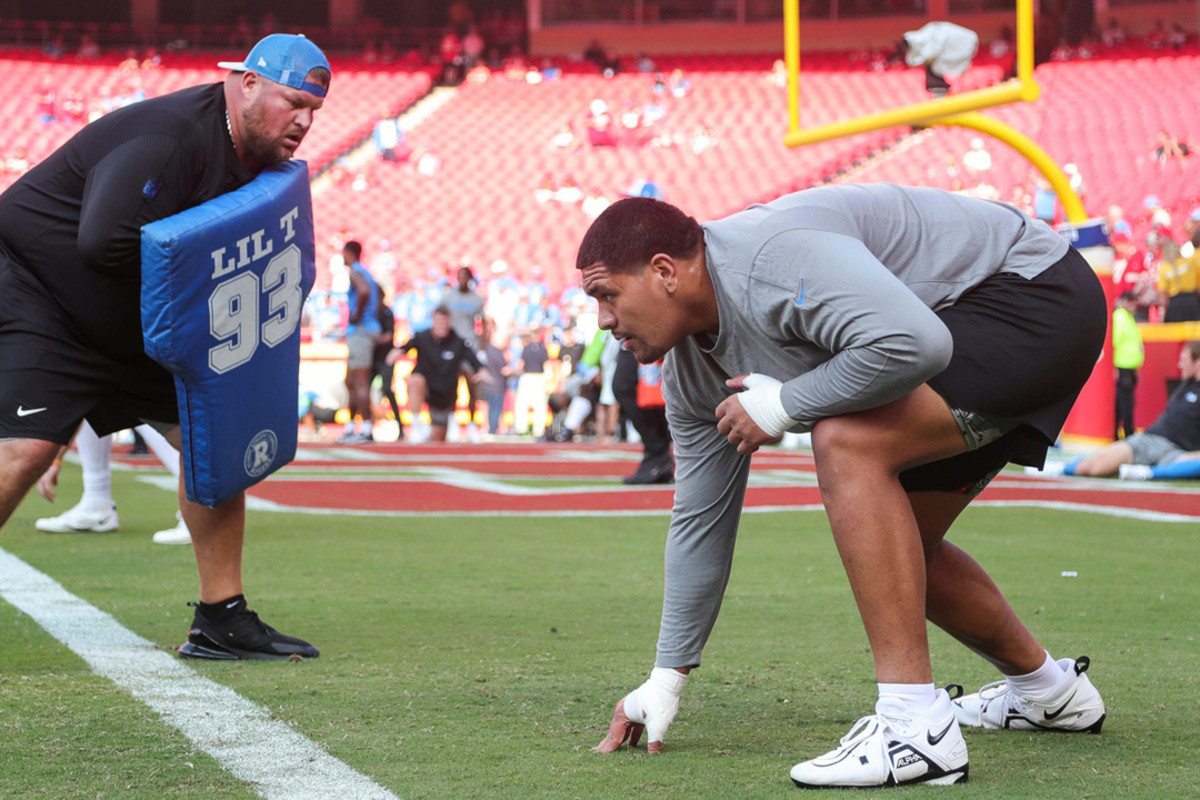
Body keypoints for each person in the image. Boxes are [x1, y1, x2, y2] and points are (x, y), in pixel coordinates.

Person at [579, 185, 1108, 788]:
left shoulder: (769, 260)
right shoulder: (691, 374)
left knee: (847, 441)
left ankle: (915, 729)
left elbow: (917, 342)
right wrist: (665, 677)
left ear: (665, 272)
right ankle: (1050, 693)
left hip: (1031, 290)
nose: (604, 321)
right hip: (977, 320)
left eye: (607, 295)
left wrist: (787, 406)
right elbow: (701, 519)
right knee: (898, 551)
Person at [0, 33, 330, 661]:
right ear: (248, 83)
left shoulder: (254, 154)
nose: (305, 122)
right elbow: (103, 243)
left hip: (131, 320)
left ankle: (222, 618)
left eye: (314, 110)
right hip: (44, 296)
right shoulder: (171, 138)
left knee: (215, 439)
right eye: (294, 103)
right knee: (22, 452)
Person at [1031, 341, 1200, 481]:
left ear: (1198, 362)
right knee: (1092, 467)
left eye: (1184, 360)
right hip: (1151, 442)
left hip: (1181, 454)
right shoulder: (1186, 385)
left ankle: (1146, 473)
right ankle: (1063, 469)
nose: (1180, 364)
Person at [388, 305, 483, 443]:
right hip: (429, 393)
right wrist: (396, 351)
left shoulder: (458, 341)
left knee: (441, 439)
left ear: (449, 321)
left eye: (444, 321)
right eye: (438, 321)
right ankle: (416, 426)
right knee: (415, 381)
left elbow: (475, 362)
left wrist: (482, 372)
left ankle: (468, 426)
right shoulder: (422, 337)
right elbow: (405, 347)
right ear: (433, 320)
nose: (441, 325)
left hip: (448, 398)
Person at [341, 240, 383, 444]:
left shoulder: (356, 272)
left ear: (348, 253)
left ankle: (365, 428)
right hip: (365, 329)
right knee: (350, 381)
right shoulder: (365, 272)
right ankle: (351, 427)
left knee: (359, 381)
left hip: (361, 331)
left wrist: (357, 313)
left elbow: (364, 291)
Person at [440, 264, 487, 442]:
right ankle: (452, 425)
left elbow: (483, 324)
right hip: (452, 346)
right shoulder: (448, 297)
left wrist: (481, 348)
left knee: (472, 387)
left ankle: (474, 426)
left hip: (470, 347)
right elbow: (438, 316)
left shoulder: (476, 299)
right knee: (452, 387)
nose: (462, 280)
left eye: (465, 277)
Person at [1112, 292, 1145, 440]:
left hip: (1128, 367)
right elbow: (1114, 342)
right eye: (1131, 301)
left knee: (1124, 404)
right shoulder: (1120, 317)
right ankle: (1127, 435)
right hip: (1122, 367)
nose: (1133, 305)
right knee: (1125, 404)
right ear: (1124, 302)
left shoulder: (1127, 317)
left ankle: (1120, 435)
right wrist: (1114, 368)